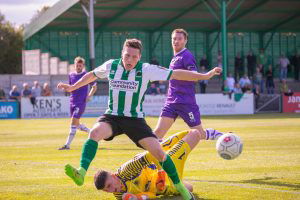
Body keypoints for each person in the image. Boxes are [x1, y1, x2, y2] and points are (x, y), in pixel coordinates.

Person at [57, 38, 222, 200]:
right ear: (122, 53)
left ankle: (180, 188)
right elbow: (91, 75)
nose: (130, 60)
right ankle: (81, 172)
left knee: (159, 153)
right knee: (94, 133)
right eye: (127, 55)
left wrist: (205, 76)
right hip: (112, 116)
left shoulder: (147, 69)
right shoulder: (111, 65)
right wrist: (72, 87)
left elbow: (177, 73)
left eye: (134, 57)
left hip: (135, 120)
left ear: (139, 57)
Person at [94, 129, 222, 200]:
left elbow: (150, 155)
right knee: (189, 188)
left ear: (113, 175)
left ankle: (213, 134)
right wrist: (139, 198)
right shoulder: (118, 194)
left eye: (109, 185)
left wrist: (161, 171)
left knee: (194, 134)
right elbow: (149, 196)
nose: (110, 190)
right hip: (162, 186)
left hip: (165, 164)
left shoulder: (127, 170)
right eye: (106, 190)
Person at [153, 29, 224, 143]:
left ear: (185, 40)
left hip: (186, 102)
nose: (176, 41)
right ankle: (159, 157)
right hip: (171, 101)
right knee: (156, 135)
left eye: (179, 39)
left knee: (200, 134)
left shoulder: (186, 56)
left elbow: (194, 76)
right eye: (174, 39)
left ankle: (219, 135)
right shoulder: (174, 57)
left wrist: (207, 75)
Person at [59, 57, 97, 150]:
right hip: (72, 101)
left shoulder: (86, 75)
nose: (78, 67)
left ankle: (67, 145)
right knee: (76, 124)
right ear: (74, 65)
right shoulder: (71, 75)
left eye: (80, 65)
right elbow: (71, 87)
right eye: (77, 65)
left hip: (80, 102)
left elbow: (94, 86)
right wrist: (63, 86)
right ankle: (92, 132)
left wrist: (89, 95)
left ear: (83, 66)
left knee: (73, 123)